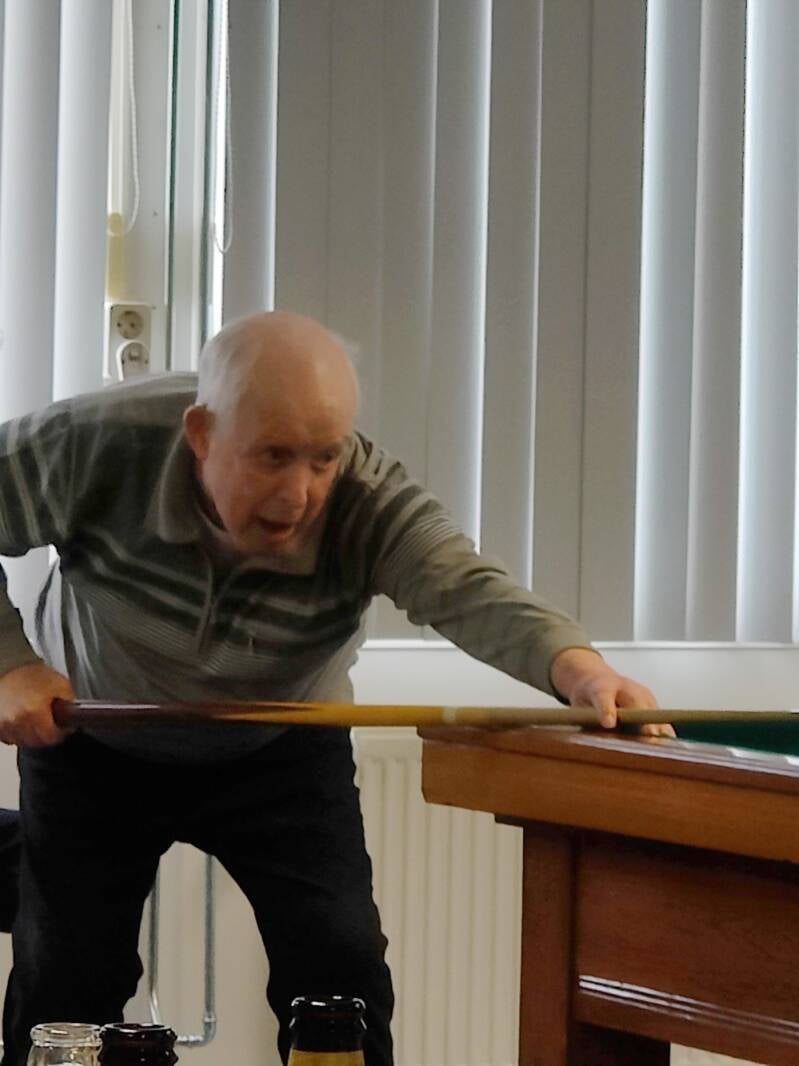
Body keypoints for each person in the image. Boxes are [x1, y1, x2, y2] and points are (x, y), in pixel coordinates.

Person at [0, 311, 671, 1066]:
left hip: (281, 746)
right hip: (95, 737)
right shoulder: (96, 442)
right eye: (273, 457)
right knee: (65, 979)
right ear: (201, 434)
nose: (299, 495)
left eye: (323, 458)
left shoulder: (366, 496)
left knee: (338, 968)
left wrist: (581, 670)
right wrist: (10, 666)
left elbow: (465, 587)